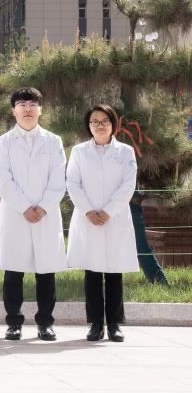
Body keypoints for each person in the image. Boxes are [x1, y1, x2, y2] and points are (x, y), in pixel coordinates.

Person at [0, 87, 68, 341]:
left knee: (45, 271)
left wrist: (43, 206)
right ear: (13, 110)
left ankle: (45, 322)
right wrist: (25, 207)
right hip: (16, 214)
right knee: (13, 271)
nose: (27, 109)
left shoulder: (53, 141)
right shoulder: (3, 143)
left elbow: (58, 178)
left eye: (33, 104)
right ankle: (13, 322)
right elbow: (3, 180)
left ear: (41, 109)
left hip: (46, 214)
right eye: (22, 104)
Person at [66, 104, 138, 343]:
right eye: (94, 121)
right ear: (89, 125)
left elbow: (128, 185)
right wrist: (89, 211)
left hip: (115, 219)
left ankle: (114, 324)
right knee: (93, 272)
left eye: (104, 121)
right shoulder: (79, 152)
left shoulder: (125, 152)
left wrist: (108, 212)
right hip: (88, 218)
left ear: (113, 124)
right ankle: (96, 324)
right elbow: (72, 183)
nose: (99, 125)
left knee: (114, 272)